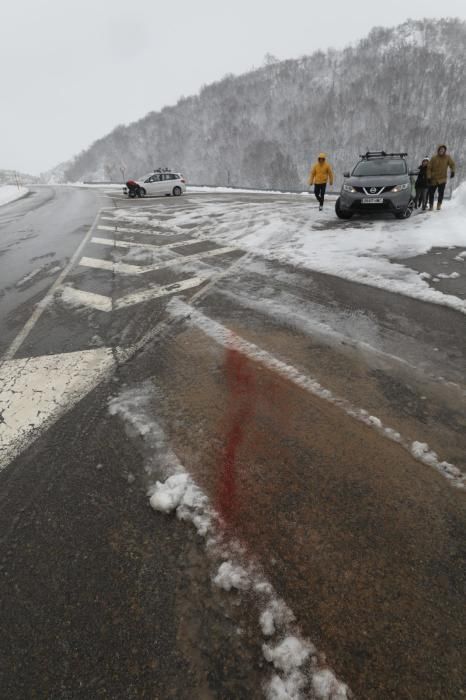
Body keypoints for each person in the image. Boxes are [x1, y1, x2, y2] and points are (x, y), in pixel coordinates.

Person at [427, 145, 455, 211]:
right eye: (440, 149)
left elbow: (452, 164)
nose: (441, 151)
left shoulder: (447, 157)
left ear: (445, 150)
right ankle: (431, 206)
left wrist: (453, 171)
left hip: (442, 179)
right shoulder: (434, 158)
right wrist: (428, 177)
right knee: (431, 193)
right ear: (438, 150)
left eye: (443, 150)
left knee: (441, 193)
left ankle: (439, 205)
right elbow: (429, 168)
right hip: (433, 179)